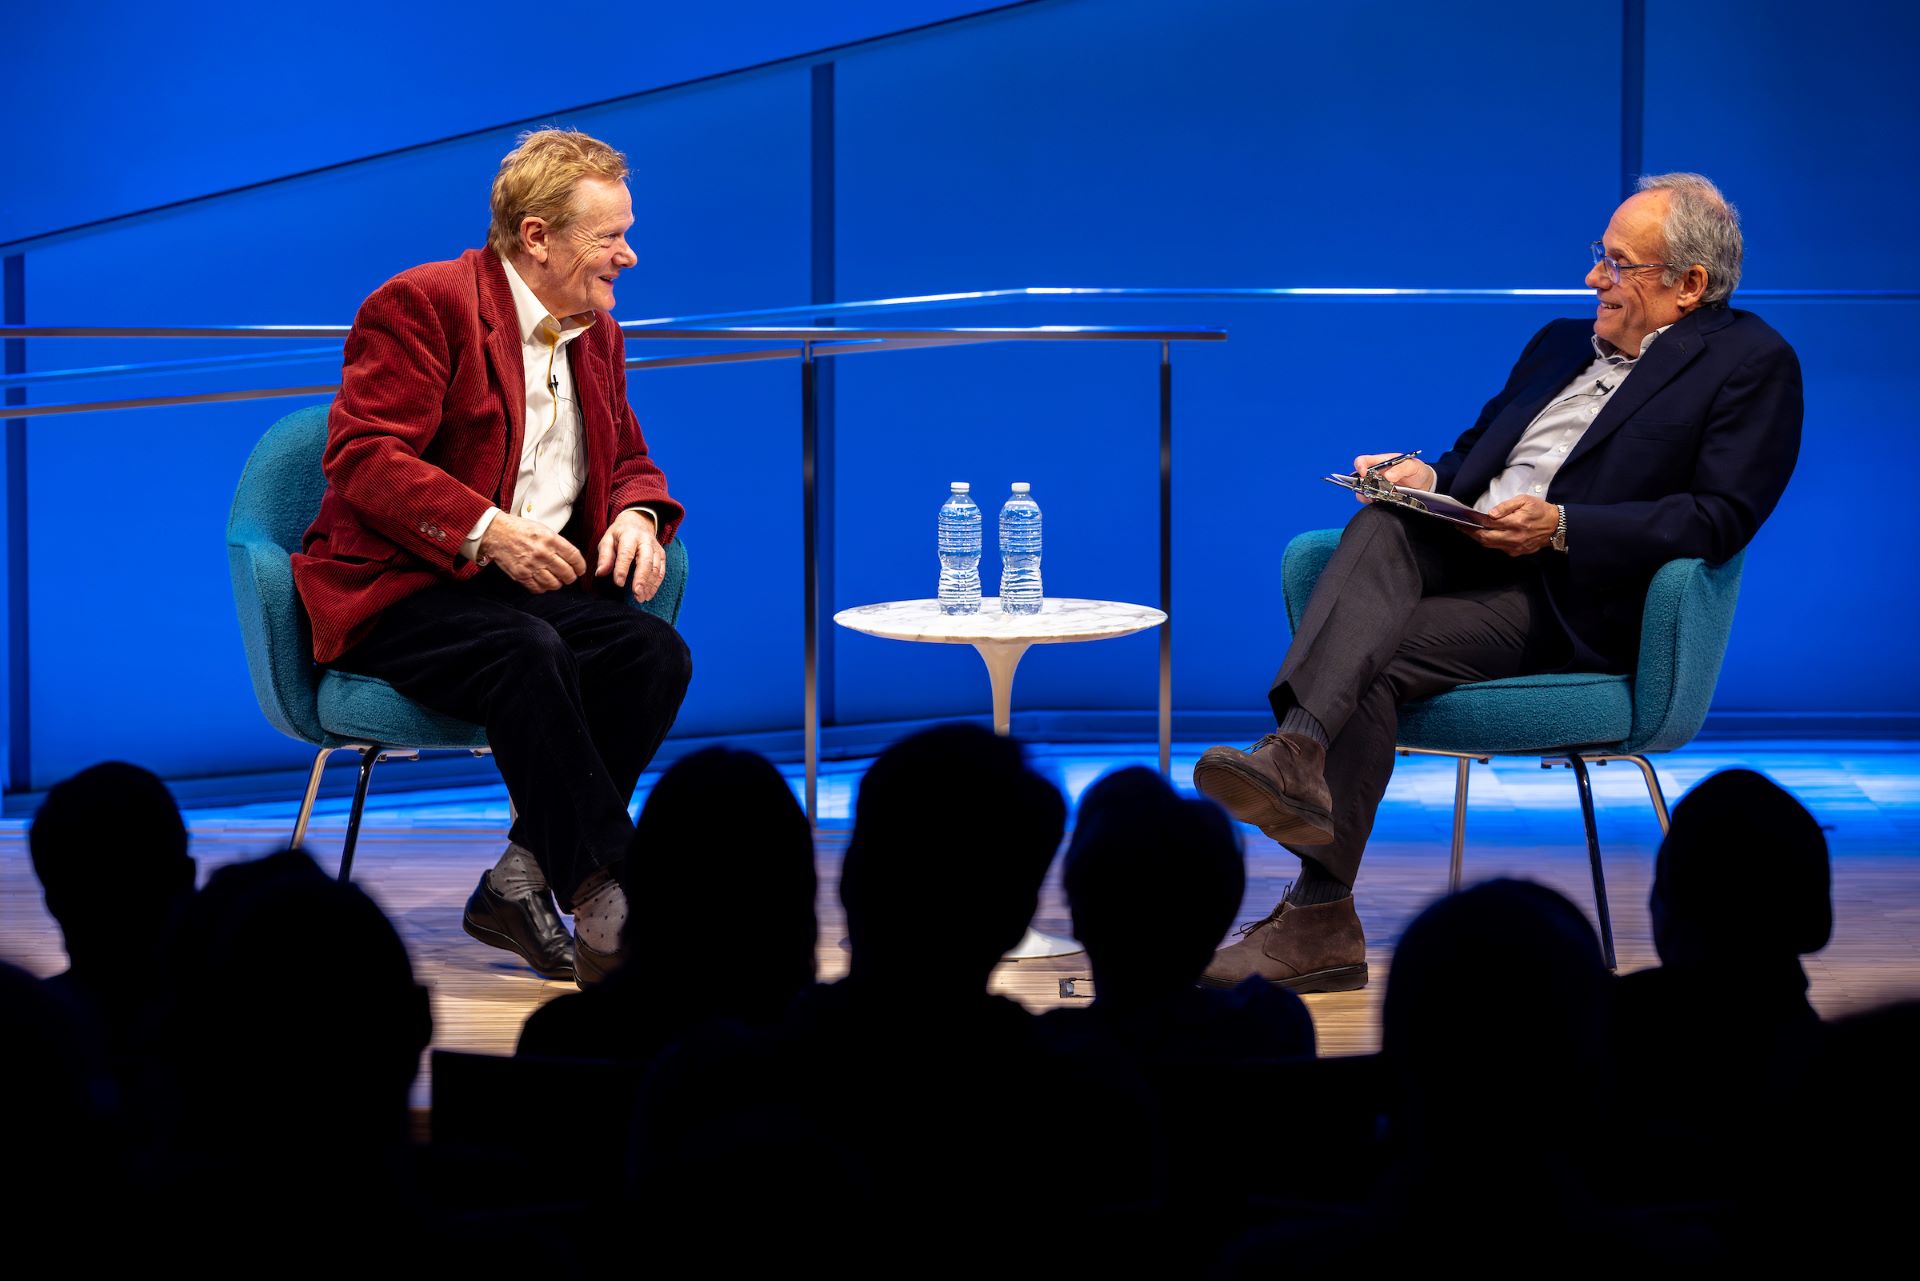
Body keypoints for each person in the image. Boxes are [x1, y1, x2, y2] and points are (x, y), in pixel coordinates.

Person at [1193, 173, 1802, 991]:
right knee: (1380, 519)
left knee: (1369, 656)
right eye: (1600, 257)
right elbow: (1475, 454)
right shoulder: (1558, 343)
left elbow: (1721, 516)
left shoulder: (1748, 362)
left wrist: (1565, 527)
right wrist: (1422, 473)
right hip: (1466, 545)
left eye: (1618, 264)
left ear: (1689, 285)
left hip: (1567, 597)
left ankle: (1317, 913)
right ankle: (1297, 755)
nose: (1594, 279)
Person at [293, 129, 692, 986]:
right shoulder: (422, 303)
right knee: (528, 651)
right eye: (609, 235)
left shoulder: (596, 330)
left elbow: (627, 456)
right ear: (537, 236)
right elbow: (362, 453)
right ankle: (610, 891)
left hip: (514, 595)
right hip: (402, 588)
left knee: (652, 653)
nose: (629, 253)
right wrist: (487, 528)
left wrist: (636, 512)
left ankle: (520, 878)